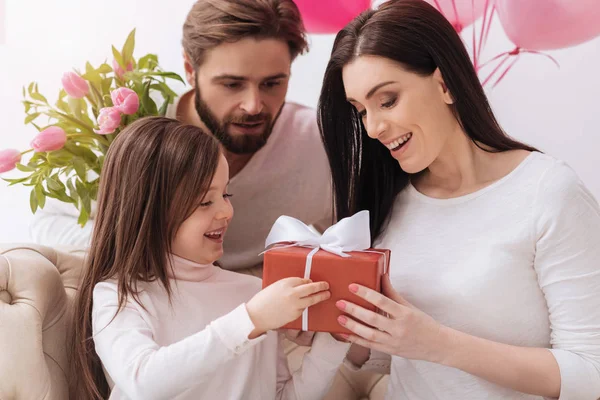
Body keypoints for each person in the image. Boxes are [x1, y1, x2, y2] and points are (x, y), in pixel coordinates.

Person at [317, 0, 600, 399]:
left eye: (388, 100)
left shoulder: (547, 192)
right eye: (360, 111)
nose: (374, 127)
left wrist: (439, 344)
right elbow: (382, 362)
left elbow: (591, 373)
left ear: (444, 83)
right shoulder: (388, 205)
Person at [30, 0, 332, 272]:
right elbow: (49, 222)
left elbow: (364, 232)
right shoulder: (134, 130)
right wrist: (141, 254)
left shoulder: (317, 143)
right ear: (190, 69)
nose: (253, 106)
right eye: (231, 84)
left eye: (271, 84)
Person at [70, 117, 349, 400]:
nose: (226, 212)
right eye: (205, 201)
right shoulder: (120, 296)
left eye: (225, 194)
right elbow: (143, 382)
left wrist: (334, 340)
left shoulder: (253, 293)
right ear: (149, 210)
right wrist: (251, 320)